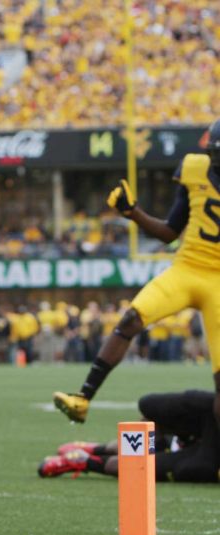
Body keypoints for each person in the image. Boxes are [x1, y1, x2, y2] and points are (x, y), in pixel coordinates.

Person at [53, 120, 220, 433]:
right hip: (187, 269)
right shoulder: (194, 169)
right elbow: (170, 230)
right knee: (131, 318)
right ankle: (83, 398)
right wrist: (133, 213)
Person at [39, 390, 219, 483]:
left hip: (212, 455)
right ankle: (101, 448)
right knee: (149, 408)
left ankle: (85, 461)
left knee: (138, 468)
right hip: (211, 419)